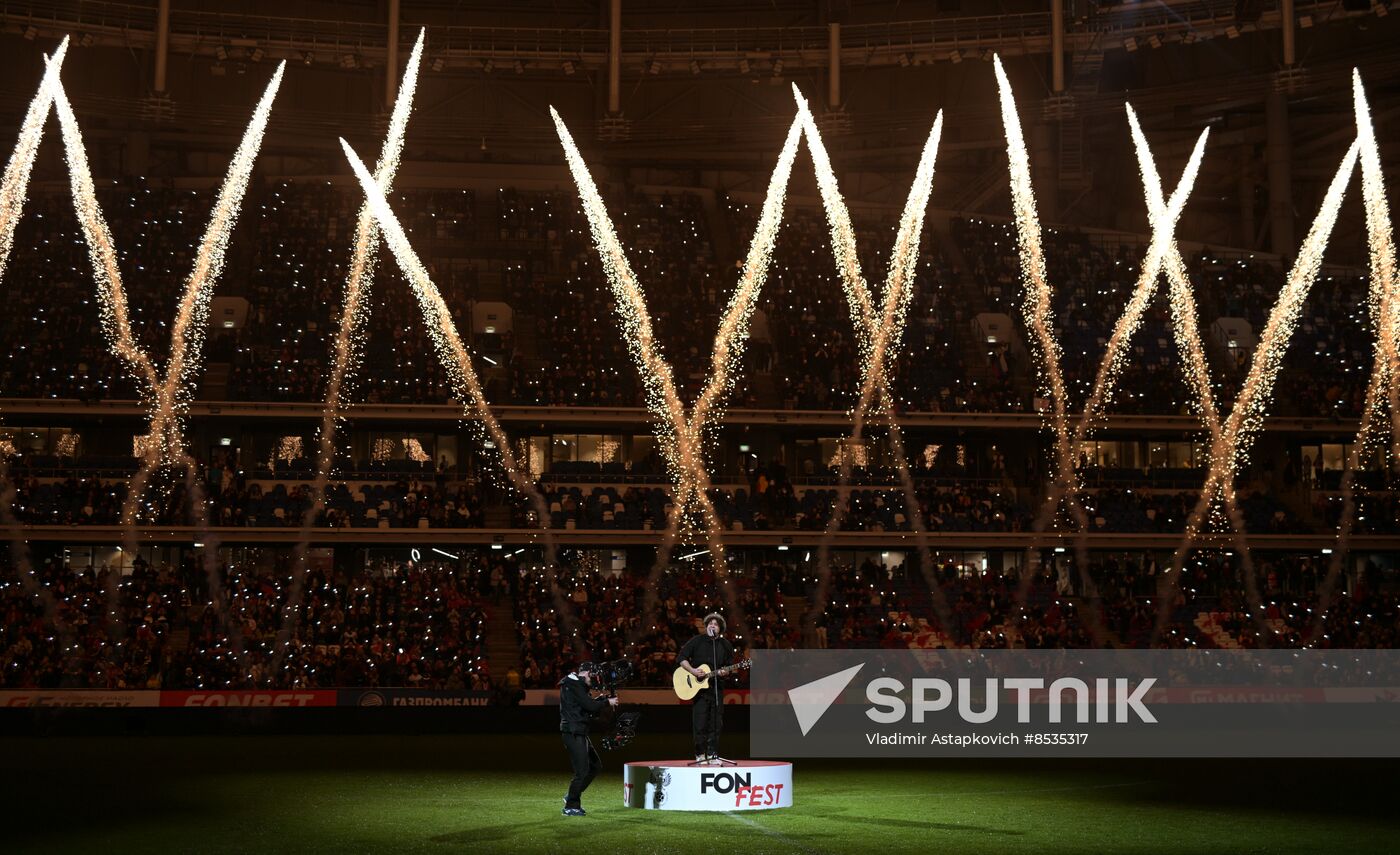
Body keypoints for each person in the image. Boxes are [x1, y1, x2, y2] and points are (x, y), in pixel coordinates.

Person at [559, 661, 617, 816]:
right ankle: (571, 806)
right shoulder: (573, 684)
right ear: (585, 673)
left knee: (595, 766)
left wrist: (600, 701)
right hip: (573, 731)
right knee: (582, 770)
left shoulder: (575, 684)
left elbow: (586, 707)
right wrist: (606, 702)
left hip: (579, 730)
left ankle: (572, 795)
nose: (594, 679)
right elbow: (589, 707)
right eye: (592, 675)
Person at [678, 613, 735, 765]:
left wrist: (725, 671)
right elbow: (681, 658)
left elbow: (729, 666)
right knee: (700, 723)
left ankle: (712, 753)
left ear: (720, 628)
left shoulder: (725, 645)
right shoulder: (697, 641)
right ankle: (700, 754)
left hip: (716, 689)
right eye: (710, 623)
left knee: (716, 723)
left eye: (715, 624)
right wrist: (693, 671)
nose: (712, 625)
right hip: (699, 692)